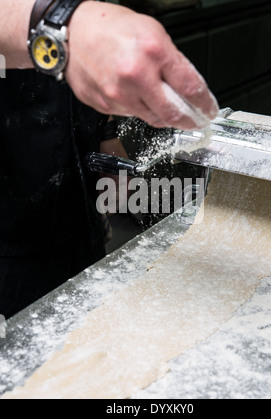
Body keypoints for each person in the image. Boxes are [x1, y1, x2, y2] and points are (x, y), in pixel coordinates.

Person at [0, 0, 219, 318]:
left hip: (77, 208)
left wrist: (105, 133)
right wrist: (61, 26)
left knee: (85, 332)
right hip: (10, 235)